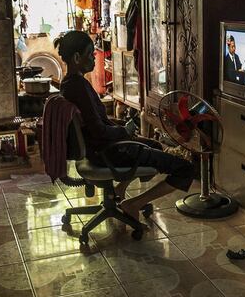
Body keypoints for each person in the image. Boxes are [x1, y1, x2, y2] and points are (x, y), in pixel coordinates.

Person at [54, 30, 194, 221]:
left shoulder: (70, 83)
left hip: (99, 149)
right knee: (185, 169)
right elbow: (98, 130)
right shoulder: (78, 87)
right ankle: (133, 204)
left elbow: (97, 122)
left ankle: (120, 190)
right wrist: (124, 131)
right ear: (77, 57)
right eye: (90, 55)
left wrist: (121, 127)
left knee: (154, 145)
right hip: (108, 153)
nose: (95, 59)